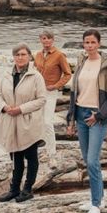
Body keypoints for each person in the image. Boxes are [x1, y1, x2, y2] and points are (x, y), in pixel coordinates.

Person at [67, 29, 107, 213]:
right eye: (86, 42)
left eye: (92, 42)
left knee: (92, 161)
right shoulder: (81, 62)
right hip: (80, 114)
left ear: (99, 43)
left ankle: (96, 205)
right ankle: (98, 198)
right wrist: (71, 120)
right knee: (87, 159)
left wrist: (98, 116)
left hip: (97, 116)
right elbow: (74, 93)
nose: (89, 46)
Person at [0, 43, 49, 203]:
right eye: (17, 55)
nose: (20, 57)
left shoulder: (36, 76)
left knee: (31, 156)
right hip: (10, 121)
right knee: (15, 156)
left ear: (29, 56)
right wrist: (4, 107)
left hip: (28, 122)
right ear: (13, 57)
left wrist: (21, 109)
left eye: (23, 54)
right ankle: (14, 189)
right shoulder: (7, 74)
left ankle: (27, 189)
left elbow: (42, 99)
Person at [34, 31, 72, 166]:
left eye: (49, 38)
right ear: (40, 40)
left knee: (47, 122)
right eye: (44, 38)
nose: (46, 41)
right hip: (37, 92)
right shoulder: (38, 55)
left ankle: (52, 155)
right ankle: (42, 150)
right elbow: (34, 72)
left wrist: (56, 85)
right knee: (37, 122)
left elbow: (68, 74)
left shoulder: (59, 55)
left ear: (53, 40)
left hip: (50, 92)